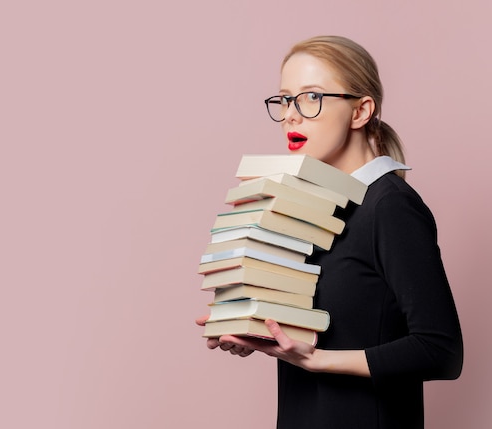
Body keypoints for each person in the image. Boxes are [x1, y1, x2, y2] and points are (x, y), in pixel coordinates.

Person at [196, 35, 463, 429]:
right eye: (285, 99)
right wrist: (259, 331)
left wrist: (317, 361)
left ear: (361, 111)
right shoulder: (313, 205)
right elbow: (331, 324)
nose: (291, 114)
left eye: (311, 97)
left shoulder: (390, 206)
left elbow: (440, 350)